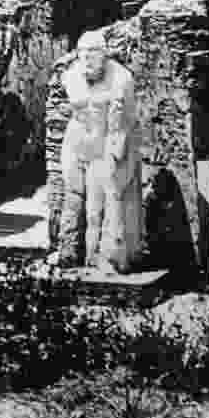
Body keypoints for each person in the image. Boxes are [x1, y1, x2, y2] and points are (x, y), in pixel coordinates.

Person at [59, 31, 142, 271]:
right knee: (74, 195)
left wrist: (116, 151)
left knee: (105, 202)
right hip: (79, 139)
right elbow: (75, 110)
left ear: (104, 54)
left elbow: (126, 121)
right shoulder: (71, 76)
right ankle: (70, 250)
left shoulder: (121, 78)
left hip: (107, 140)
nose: (87, 58)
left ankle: (108, 257)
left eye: (93, 53)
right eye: (83, 53)